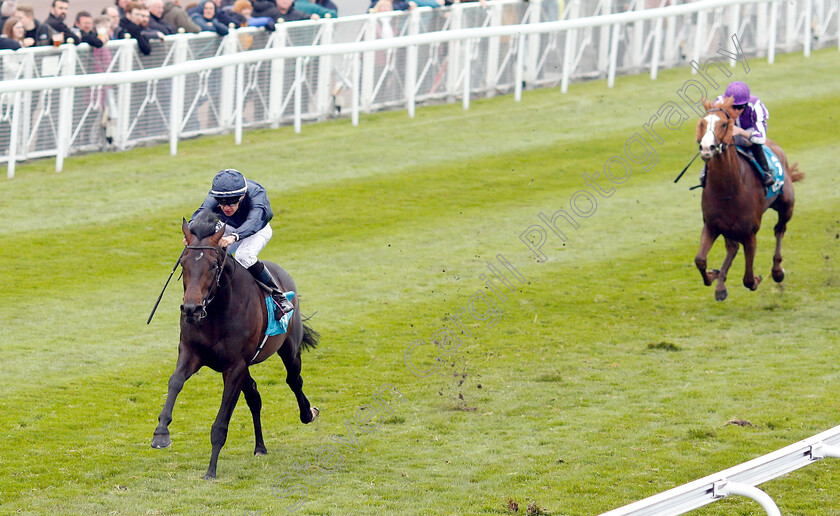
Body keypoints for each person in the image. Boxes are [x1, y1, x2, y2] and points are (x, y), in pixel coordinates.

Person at [190, 169, 293, 318]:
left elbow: (254, 221)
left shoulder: (257, 193)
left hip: (258, 229)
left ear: (243, 196)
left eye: (232, 202)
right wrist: (191, 234)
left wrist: (234, 237)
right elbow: (200, 213)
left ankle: (278, 296)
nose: (226, 207)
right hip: (231, 227)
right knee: (210, 252)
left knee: (243, 256)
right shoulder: (216, 195)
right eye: (222, 203)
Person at [701, 80, 774, 187]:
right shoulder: (719, 103)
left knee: (752, 143)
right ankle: (705, 172)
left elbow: (761, 138)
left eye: (740, 107)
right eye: (733, 107)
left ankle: (766, 171)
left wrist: (741, 132)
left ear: (746, 104)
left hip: (748, 134)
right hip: (729, 133)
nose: (736, 111)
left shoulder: (756, 106)